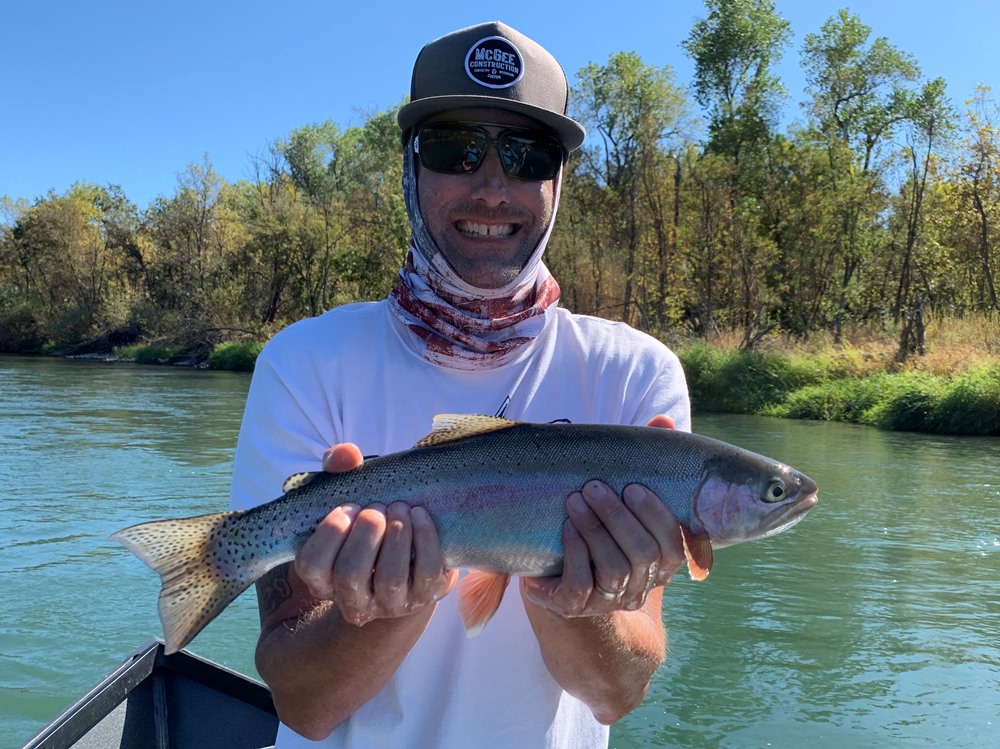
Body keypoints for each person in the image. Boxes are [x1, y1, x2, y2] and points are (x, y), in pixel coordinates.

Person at [229, 20, 691, 749]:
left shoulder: (636, 376)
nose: (491, 186)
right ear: (411, 165)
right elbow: (302, 703)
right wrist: (389, 605)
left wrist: (571, 596)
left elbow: (616, 694)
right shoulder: (302, 362)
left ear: (557, 181)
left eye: (526, 154)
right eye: (456, 149)